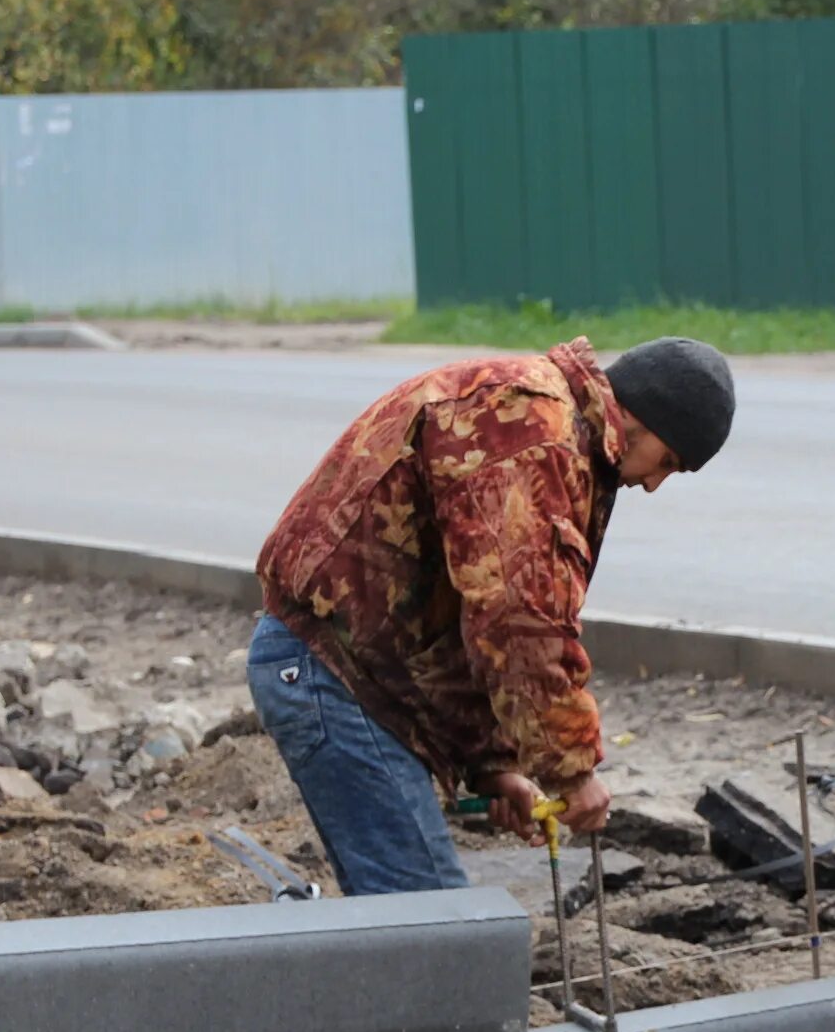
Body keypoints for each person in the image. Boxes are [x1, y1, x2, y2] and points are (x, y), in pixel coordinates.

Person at [249, 337, 734, 895]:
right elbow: (517, 621)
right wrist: (571, 770)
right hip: (331, 675)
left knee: (414, 920)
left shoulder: (554, 427)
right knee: (427, 924)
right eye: (667, 462)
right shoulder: (531, 432)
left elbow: (465, 608)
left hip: (360, 675)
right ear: (633, 417)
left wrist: (491, 762)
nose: (653, 484)